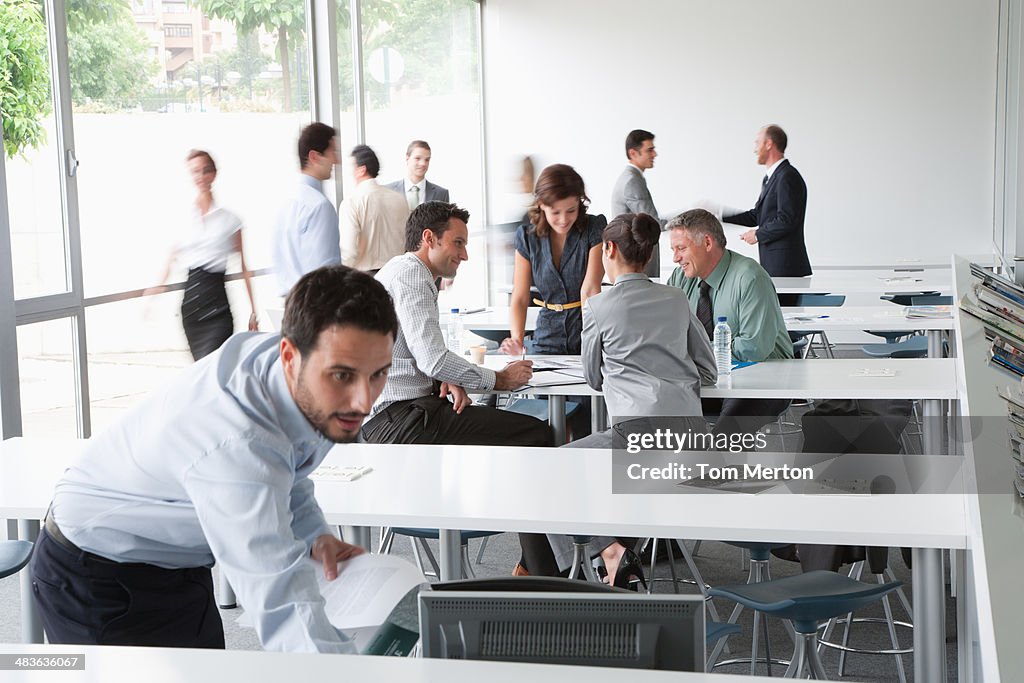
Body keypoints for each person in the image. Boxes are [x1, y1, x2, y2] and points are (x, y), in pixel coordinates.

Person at [31, 266, 398, 651]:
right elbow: (283, 607)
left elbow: (287, 467)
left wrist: (314, 535)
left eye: (378, 374)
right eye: (342, 376)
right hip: (94, 576)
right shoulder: (236, 442)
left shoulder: (295, 373)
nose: (364, 401)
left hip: (176, 563)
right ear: (289, 355)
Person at [545, 212, 716, 586]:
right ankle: (619, 555)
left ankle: (611, 553)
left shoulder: (599, 307)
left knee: (552, 469)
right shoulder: (676, 298)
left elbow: (592, 377)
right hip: (693, 439)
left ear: (607, 249)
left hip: (638, 437)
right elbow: (709, 370)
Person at [362, 201, 552, 447]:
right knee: (536, 432)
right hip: (400, 419)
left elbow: (418, 355)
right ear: (429, 238)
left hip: (397, 415)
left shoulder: (400, 270)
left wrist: (443, 379)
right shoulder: (413, 276)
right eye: (458, 243)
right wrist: (500, 379)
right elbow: (434, 360)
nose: (465, 255)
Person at [665, 208, 793, 435]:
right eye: (673, 250)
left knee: (729, 430)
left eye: (681, 249)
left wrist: (697, 354)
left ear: (707, 242)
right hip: (710, 379)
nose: (676, 258)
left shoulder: (750, 277)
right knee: (661, 416)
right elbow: (666, 333)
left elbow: (754, 347)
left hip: (764, 379)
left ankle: (722, 469)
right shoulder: (680, 278)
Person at [150, 149, 258, 360]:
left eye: (205, 170)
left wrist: (254, 310)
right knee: (200, 369)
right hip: (192, 309)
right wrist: (153, 293)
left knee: (218, 366)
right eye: (195, 172)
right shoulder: (184, 217)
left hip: (218, 305)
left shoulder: (230, 220)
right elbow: (171, 260)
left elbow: (243, 266)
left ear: (214, 174)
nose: (200, 176)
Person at [723, 124, 811, 277]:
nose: (755, 149)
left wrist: (758, 234)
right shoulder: (772, 178)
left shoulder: (787, 176)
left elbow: (787, 220)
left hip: (785, 266)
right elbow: (757, 215)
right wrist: (719, 215)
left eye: (757, 143)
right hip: (775, 263)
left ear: (769, 144)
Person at [271, 122, 342, 295]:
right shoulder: (319, 205)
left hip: (290, 306)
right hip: (315, 307)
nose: (336, 160)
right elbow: (326, 275)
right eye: (332, 152)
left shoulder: (284, 201)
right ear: (314, 157)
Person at [339, 144, 410, 273]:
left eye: (351, 167)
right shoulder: (399, 199)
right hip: (397, 274)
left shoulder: (351, 202)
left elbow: (349, 252)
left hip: (365, 279)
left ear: (362, 170)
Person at [610, 129, 662, 276]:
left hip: (633, 261)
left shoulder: (631, 178)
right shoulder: (632, 181)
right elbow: (653, 223)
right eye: (650, 150)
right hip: (636, 262)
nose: (654, 154)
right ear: (633, 153)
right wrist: (686, 219)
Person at [385, 140, 450, 210]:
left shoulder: (441, 194)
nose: (423, 164)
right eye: (417, 158)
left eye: (427, 160)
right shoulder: (388, 190)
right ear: (407, 158)